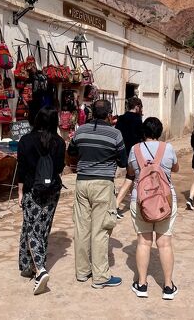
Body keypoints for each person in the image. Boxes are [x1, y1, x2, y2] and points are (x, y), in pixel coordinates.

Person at [116, 117, 179, 300]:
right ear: (159, 132)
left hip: (140, 200)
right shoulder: (168, 148)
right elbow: (175, 169)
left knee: (143, 242)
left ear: (143, 132)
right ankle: (168, 286)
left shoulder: (135, 150)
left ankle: (142, 284)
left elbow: (130, 173)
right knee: (164, 243)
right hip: (165, 201)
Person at [67, 99, 128, 289]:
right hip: (103, 184)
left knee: (82, 228)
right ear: (109, 114)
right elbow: (123, 162)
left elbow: (72, 152)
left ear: (92, 112)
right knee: (101, 230)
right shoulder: (115, 134)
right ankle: (100, 276)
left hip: (82, 182)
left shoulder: (81, 130)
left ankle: (82, 272)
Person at [16, 106, 66, 295]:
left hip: (31, 191)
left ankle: (40, 270)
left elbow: (21, 169)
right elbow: (60, 167)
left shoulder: (26, 141)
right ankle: (27, 264)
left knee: (32, 229)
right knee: (41, 227)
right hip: (52, 191)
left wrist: (20, 192)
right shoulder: (60, 143)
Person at [115, 97, 144, 217]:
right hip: (134, 152)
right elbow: (141, 136)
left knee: (133, 177)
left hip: (122, 152)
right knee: (131, 178)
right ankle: (116, 205)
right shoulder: (137, 119)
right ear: (137, 106)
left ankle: (136, 203)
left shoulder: (121, 118)